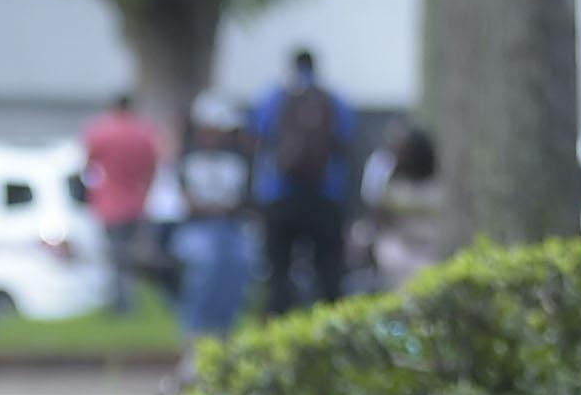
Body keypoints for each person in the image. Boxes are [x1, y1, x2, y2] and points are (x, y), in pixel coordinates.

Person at [253, 47, 356, 316]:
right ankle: (332, 330)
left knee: (278, 273)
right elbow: (346, 139)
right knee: (329, 273)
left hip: (280, 196)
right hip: (326, 196)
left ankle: (278, 331)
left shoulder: (275, 97)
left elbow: (260, 134)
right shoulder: (334, 100)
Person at [169, 96, 257, 360]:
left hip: (231, 228)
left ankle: (225, 331)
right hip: (199, 228)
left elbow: (243, 200)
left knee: (241, 262)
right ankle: (195, 333)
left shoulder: (238, 163)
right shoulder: (188, 161)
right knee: (207, 264)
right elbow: (184, 200)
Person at [80, 88, 167, 309]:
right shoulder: (145, 132)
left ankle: (121, 302)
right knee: (131, 255)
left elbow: (87, 163)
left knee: (116, 255)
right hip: (136, 202)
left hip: (110, 203)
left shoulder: (100, 131)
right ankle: (129, 298)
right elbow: (154, 166)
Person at [364, 122, 457, 288]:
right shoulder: (386, 171)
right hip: (398, 243)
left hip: (430, 246)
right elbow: (377, 208)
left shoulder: (434, 181)